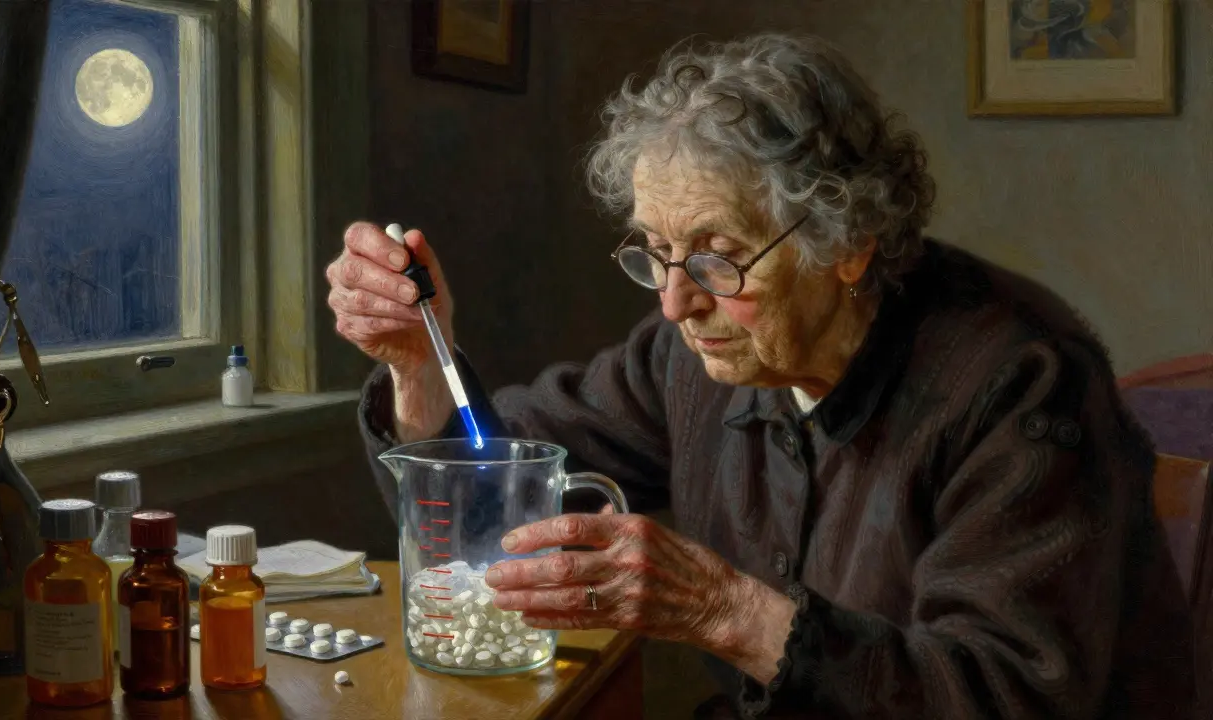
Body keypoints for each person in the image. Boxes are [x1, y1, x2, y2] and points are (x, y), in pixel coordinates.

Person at [327, 33, 1194, 719]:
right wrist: (419, 361)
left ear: (847, 245)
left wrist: (726, 611)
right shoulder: (692, 356)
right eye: (655, 252)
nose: (676, 302)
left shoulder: (1022, 381)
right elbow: (494, 490)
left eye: (718, 256)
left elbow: (1008, 696)